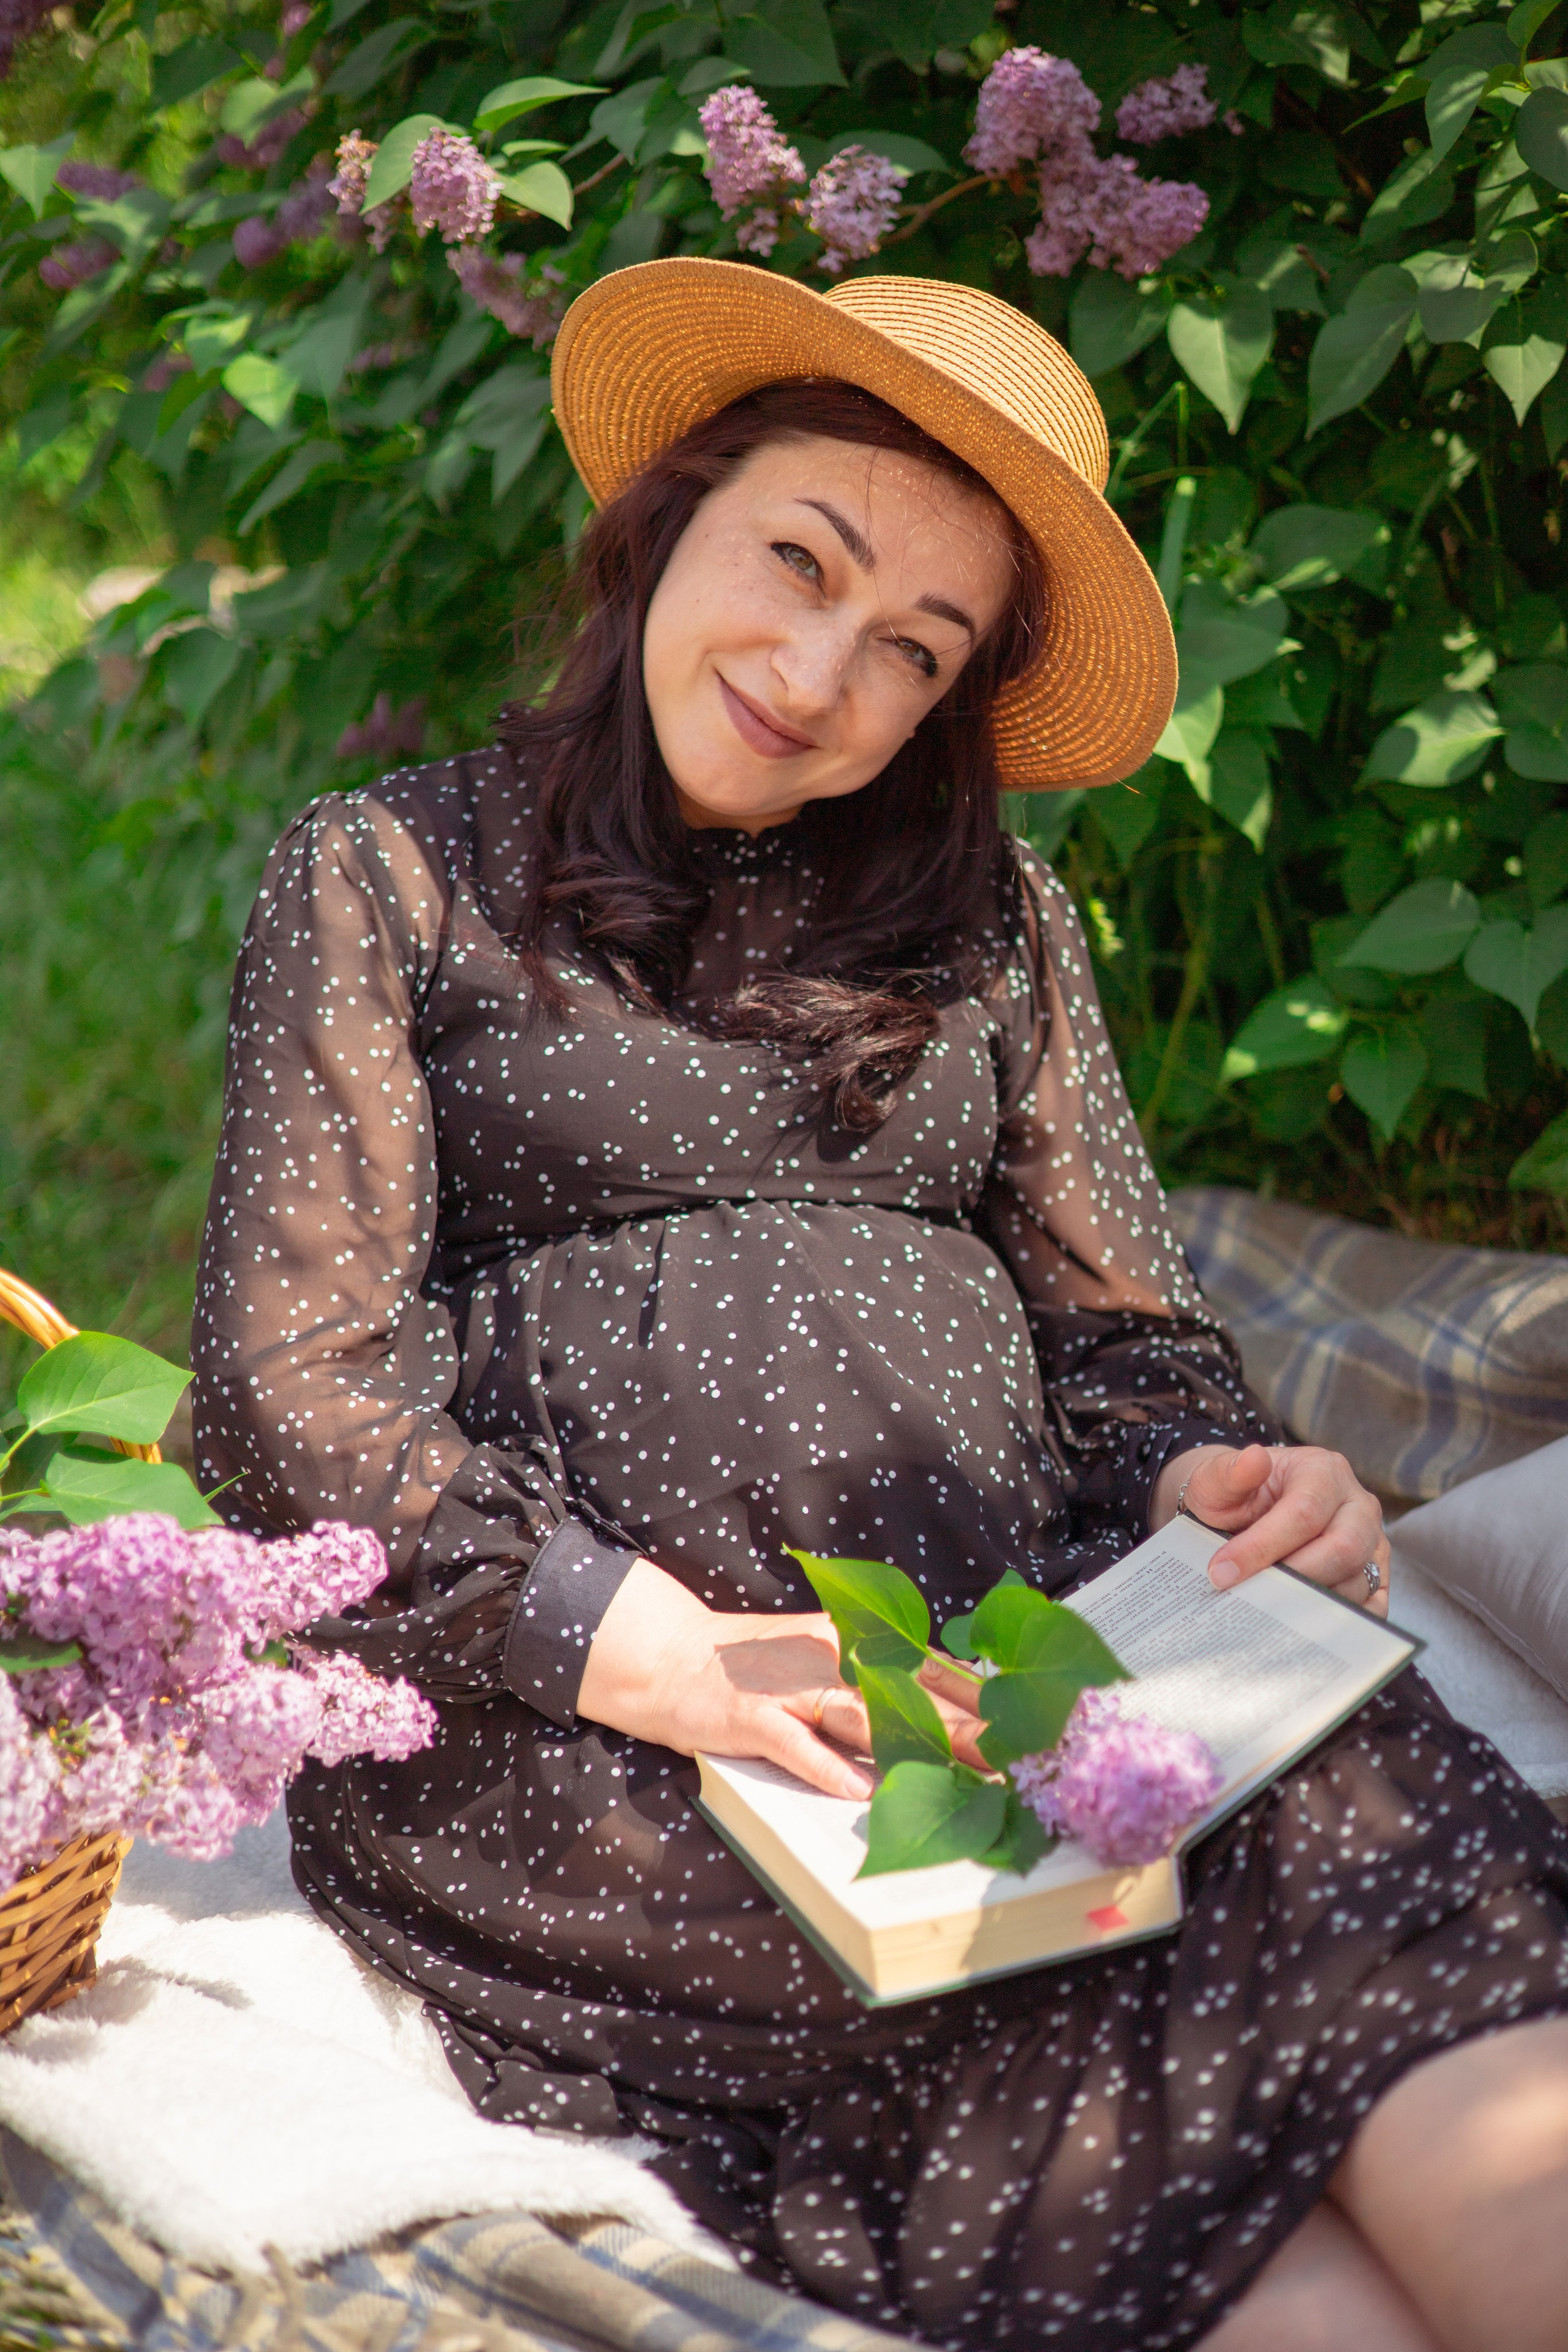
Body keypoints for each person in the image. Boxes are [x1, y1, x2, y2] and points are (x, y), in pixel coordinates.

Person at [192, 260, 1568, 2352]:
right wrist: (658, 1649)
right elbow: (290, 1395)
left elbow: (1128, 1338)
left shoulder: (996, 919)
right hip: (599, 1733)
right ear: (673, 518)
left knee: (1348, 1840)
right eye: (799, 561)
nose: (819, 672)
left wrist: (1206, 1471)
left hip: (1017, 1658)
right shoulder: (393, 874)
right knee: (1037, 2008)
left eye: (912, 646)